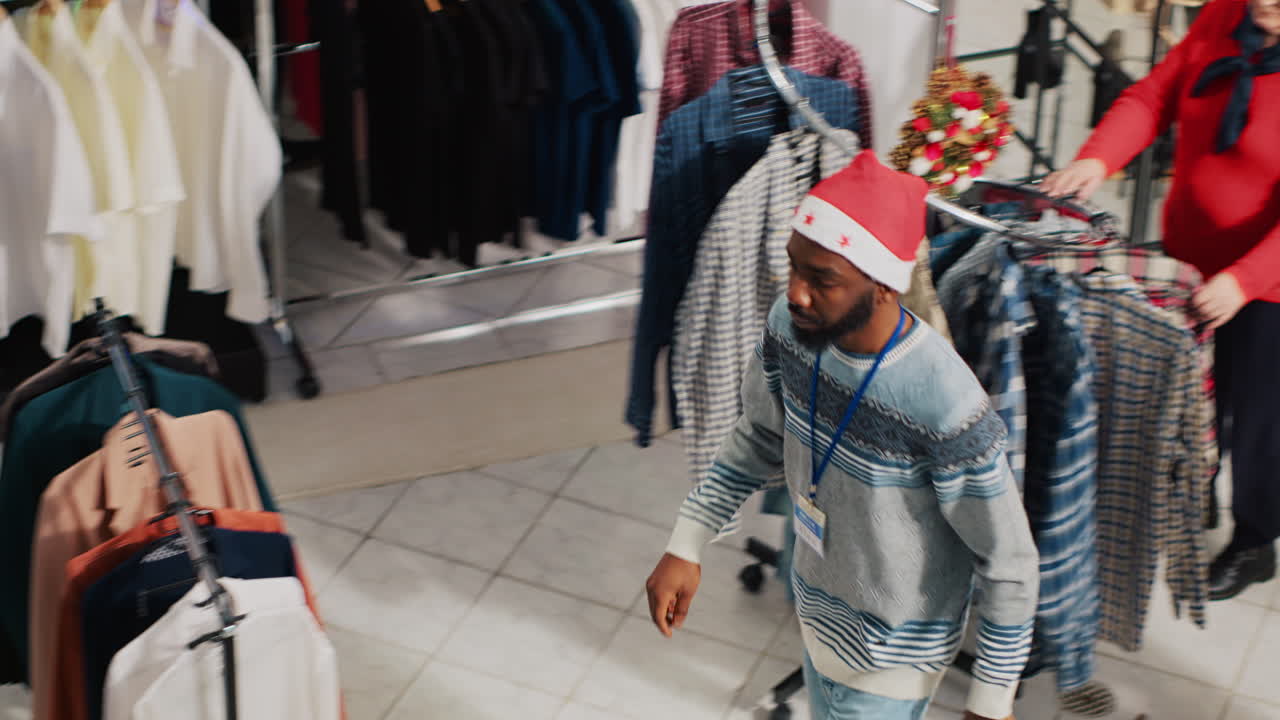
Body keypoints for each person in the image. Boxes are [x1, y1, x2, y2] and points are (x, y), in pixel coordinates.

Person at [643, 150, 1039, 720]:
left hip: (892, 662)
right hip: (818, 617)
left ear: (883, 285)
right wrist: (688, 540)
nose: (797, 292)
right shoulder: (791, 325)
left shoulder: (943, 400)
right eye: (795, 267)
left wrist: (990, 701)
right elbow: (757, 434)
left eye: (821, 278)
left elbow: (1009, 561)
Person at [1042, 0, 1280, 600]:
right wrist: (1098, 157)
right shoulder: (1222, 18)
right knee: (1189, 400)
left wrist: (1245, 279)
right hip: (1187, 264)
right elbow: (1154, 96)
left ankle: (1255, 539)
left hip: (1269, 288)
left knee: (1260, 422)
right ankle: (1187, 499)